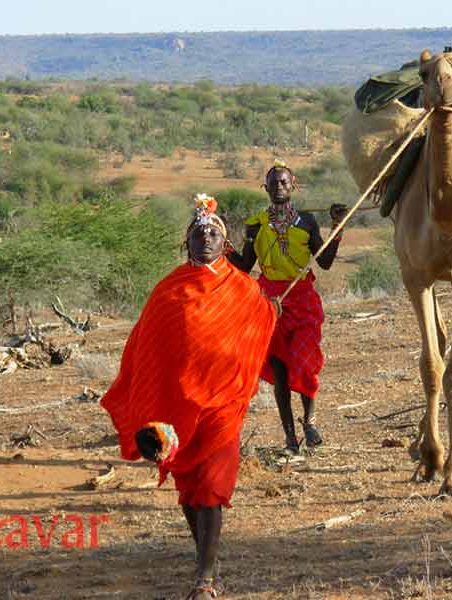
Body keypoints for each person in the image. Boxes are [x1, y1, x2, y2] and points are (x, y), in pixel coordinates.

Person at [101, 194, 278, 600]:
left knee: (213, 484)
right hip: (176, 409)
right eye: (198, 233)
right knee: (187, 488)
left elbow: (260, 323)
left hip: (222, 404)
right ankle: (205, 557)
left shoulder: (243, 289)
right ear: (188, 242)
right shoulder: (169, 289)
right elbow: (145, 346)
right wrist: (151, 400)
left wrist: (270, 312)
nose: (206, 239)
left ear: (226, 243)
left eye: (213, 233)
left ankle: (205, 577)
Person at [229, 160, 348, 455]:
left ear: (293, 185)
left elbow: (326, 261)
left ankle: (309, 420)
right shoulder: (255, 224)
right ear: (265, 188)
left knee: (306, 361)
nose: (279, 186)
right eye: (274, 182)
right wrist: (221, 246)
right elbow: (245, 266)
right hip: (269, 302)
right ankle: (290, 438)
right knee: (280, 370)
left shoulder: (307, 221)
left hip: (302, 297)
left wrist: (337, 226)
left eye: (284, 182)